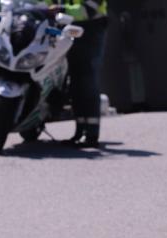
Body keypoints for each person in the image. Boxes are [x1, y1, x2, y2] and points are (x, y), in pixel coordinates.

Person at [52, 1, 109, 147]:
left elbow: (89, 9)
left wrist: (61, 9)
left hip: (91, 29)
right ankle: (80, 131)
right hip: (70, 28)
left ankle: (91, 134)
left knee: (87, 80)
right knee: (75, 82)